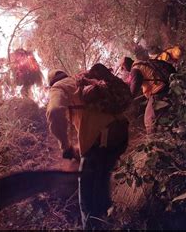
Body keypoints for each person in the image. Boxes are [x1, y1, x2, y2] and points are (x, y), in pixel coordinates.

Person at [46, 67, 129, 229]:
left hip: (102, 140)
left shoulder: (59, 87)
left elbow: (54, 112)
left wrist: (65, 146)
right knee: (101, 180)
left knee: (86, 200)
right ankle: (110, 219)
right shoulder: (80, 80)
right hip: (121, 133)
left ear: (51, 83)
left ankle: (93, 225)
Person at [122, 55, 176, 134]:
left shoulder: (135, 70)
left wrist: (128, 101)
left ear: (125, 65)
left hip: (158, 91)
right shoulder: (140, 64)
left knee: (149, 120)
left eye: (122, 68)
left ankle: (155, 139)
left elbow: (134, 88)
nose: (123, 70)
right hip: (165, 85)